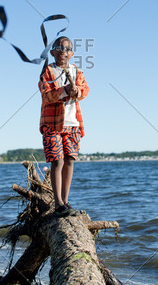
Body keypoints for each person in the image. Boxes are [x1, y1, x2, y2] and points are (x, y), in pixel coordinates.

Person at [39, 36, 90, 217]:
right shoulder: (48, 72)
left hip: (73, 124)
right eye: (59, 48)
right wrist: (64, 90)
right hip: (52, 123)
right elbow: (47, 95)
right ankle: (58, 203)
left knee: (69, 159)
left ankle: (65, 201)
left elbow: (85, 90)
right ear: (52, 52)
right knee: (57, 160)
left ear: (72, 54)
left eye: (67, 49)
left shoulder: (76, 71)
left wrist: (77, 91)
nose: (63, 51)